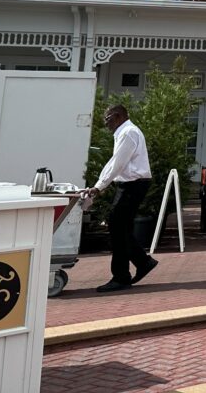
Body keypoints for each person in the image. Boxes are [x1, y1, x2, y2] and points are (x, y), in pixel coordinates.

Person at [83, 104, 157, 293]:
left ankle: (124, 274)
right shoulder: (125, 132)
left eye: (107, 119)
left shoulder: (128, 133)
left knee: (117, 226)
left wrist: (100, 186)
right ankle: (140, 263)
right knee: (120, 227)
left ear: (117, 116)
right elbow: (117, 163)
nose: (106, 123)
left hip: (133, 185)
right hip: (129, 185)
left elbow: (117, 162)